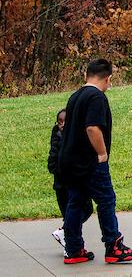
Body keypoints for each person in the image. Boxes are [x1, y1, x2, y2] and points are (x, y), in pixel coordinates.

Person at [59, 59, 132, 264]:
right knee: (106, 200)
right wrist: (102, 153)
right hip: (89, 161)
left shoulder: (75, 96)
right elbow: (92, 128)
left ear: (86, 75)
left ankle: (73, 248)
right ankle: (113, 245)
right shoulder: (96, 97)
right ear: (108, 78)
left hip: (70, 160)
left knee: (76, 202)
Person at [48, 108, 68, 254]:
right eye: (59, 122)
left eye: (65, 121)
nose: (62, 124)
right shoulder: (58, 138)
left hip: (69, 184)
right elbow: (52, 164)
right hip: (62, 186)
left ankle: (65, 233)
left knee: (84, 210)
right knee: (72, 214)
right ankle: (70, 245)